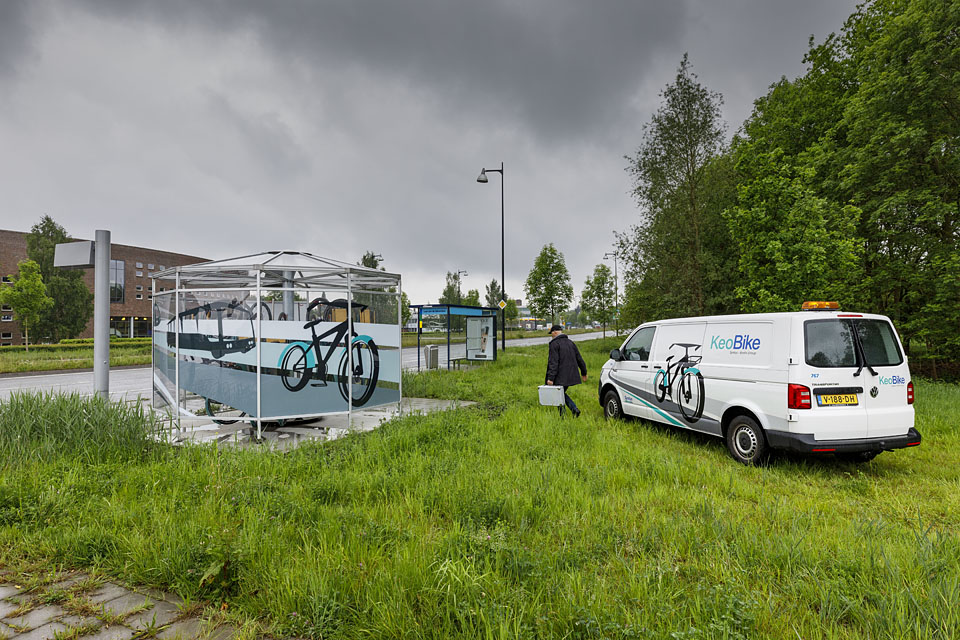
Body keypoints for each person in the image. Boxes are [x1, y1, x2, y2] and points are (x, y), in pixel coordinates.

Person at [545, 324, 587, 417]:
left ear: (555, 332)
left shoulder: (554, 344)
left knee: (558, 394)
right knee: (560, 393)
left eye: (551, 333)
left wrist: (550, 378)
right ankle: (570, 411)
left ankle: (571, 411)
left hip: (560, 375)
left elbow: (553, 362)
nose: (551, 335)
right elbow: (579, 358)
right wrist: (584, 372)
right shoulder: (570, 342)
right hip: (572, 374)